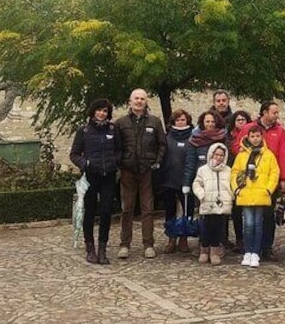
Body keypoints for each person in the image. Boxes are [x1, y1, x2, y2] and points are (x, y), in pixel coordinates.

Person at [114, 88, 167, 260]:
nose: (139, 101)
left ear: (146, 101)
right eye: (136, 98)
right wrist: (121, 162)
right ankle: (125, 244)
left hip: (147, 170)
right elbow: (116, 146)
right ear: (130, 101)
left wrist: (156, 162)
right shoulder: (121, 123)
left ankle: (148, 244)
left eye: (142, 98)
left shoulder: (155, 121)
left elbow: (162, 144)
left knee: (147, 209)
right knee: (127, 209)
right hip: (127, 171)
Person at [69, 98, 122, 265]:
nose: (102, 113)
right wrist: (85, 164)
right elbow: (74, 154)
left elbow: (119, 150)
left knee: (106, 211)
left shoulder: (113, 130)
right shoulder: (83, 131)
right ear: (93, 111)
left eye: (105, 111)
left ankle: (102, 248)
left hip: (108, 176)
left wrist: (115, 162)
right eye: (99, 110)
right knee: (90, 212)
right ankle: (90, 247)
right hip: (91, 176)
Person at [237, 101, 285, 260]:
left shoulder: (280, 131)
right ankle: (250, 247)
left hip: (269, 180)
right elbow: (237, 146)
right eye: (274, 112)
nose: (277, 116)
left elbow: (283, 153)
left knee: (268, 216)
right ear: (264, 113)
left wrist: (284, 178)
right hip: (250, 182)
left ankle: (266, 247)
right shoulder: (249, 128)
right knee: (249, 218)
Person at [231, 126, 280, 268]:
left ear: (261, 137)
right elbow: (235, 173)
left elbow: (274, 173)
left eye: (258, 136)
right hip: (246, 193)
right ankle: (248, 251)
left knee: (258, 224)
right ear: (248, 137)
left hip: (261, 194)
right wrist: (236, 189)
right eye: (252, 136)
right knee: (248, 223)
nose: (255, 139)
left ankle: (256, 252)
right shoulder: (242, 155)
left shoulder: (268, 155)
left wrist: (269, 189)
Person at [158, 109, 193, 254]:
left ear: (188, 121)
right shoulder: (167, 138)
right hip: (169, 179)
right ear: (173, 122)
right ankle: (171, 238)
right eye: (177, 120)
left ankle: (184, 239)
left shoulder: (193, 138)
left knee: (187, 211)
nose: (180, 122)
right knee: (170, 212)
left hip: (187, 181)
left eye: (183, 119)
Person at [192, 142, 233, 266]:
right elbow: (197, 183)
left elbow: (232, 185)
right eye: (216, 155)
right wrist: (201, 194)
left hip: (222, 203)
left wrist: (230, 196)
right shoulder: (203, 170)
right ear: (211, 155)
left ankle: (215, 251)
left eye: (221, 155)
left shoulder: (228, 170)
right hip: (207, 202)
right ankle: (204, 249)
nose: (219, 157)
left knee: (218, 228)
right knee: (206, 227)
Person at [226, 110, 251, 253]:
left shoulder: (253, 136)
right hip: (234, 174)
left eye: (243, 120)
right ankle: (239, 239)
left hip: (250, 175)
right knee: (236, 210)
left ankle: (249, 238)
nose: (241, 122)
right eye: (238, 120)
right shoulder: (229, 138)